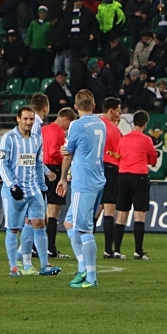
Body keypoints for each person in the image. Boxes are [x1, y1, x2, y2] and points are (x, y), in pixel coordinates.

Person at [0, 105, 60, 277]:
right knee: (13, 229)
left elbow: (38, 164)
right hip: (15, 191)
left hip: (33, 190)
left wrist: (43, 187)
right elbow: (2, 164)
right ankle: (13, 267)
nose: (28, 122)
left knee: (39, 224)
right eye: (25, 118)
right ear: (18, 119)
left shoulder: (36, 139)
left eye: (31, 119)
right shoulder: (8, 138)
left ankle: (45, 265)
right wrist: (12, 186)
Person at [57, 89, 107, 288]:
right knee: (70, 224)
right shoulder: (101, 123)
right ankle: (82, 267)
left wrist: (62, 178)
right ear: (93, 106)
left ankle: (92, 277)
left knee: (84, 230)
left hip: (83, 182)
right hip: (97, 178)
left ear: (76, 107)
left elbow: (68, 154)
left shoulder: (76, 125)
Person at [112, 110, 159, 260]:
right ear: (145, 124)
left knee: (121, 214)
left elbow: (118, 156)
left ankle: (117, 250)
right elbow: (153, 158)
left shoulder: (123, 139)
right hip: (139, 177)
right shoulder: (146, 140)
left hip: (124, 176)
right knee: (139, 215)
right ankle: (138, 251)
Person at [40, 107, 76, 258]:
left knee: (42, 212)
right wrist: (67, 163)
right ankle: (51, 248)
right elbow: (55, 152)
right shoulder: (59, 131)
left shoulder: (43, 129)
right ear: (66, 119)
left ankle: (38, 247)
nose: (68, 128)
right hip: (54, 170)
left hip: (42, 170)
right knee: (54, 213)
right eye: (69, 124)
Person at [100, 97, 123, 258]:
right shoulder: (114, 130)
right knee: (109, 209)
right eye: (118, 110)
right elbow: (119, 153)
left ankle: (83, 246)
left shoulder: (95, 124)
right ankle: (109, 249)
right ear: (112, 110)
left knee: (94, 209)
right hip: (110, 168)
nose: (119, 113)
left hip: (94, 168)